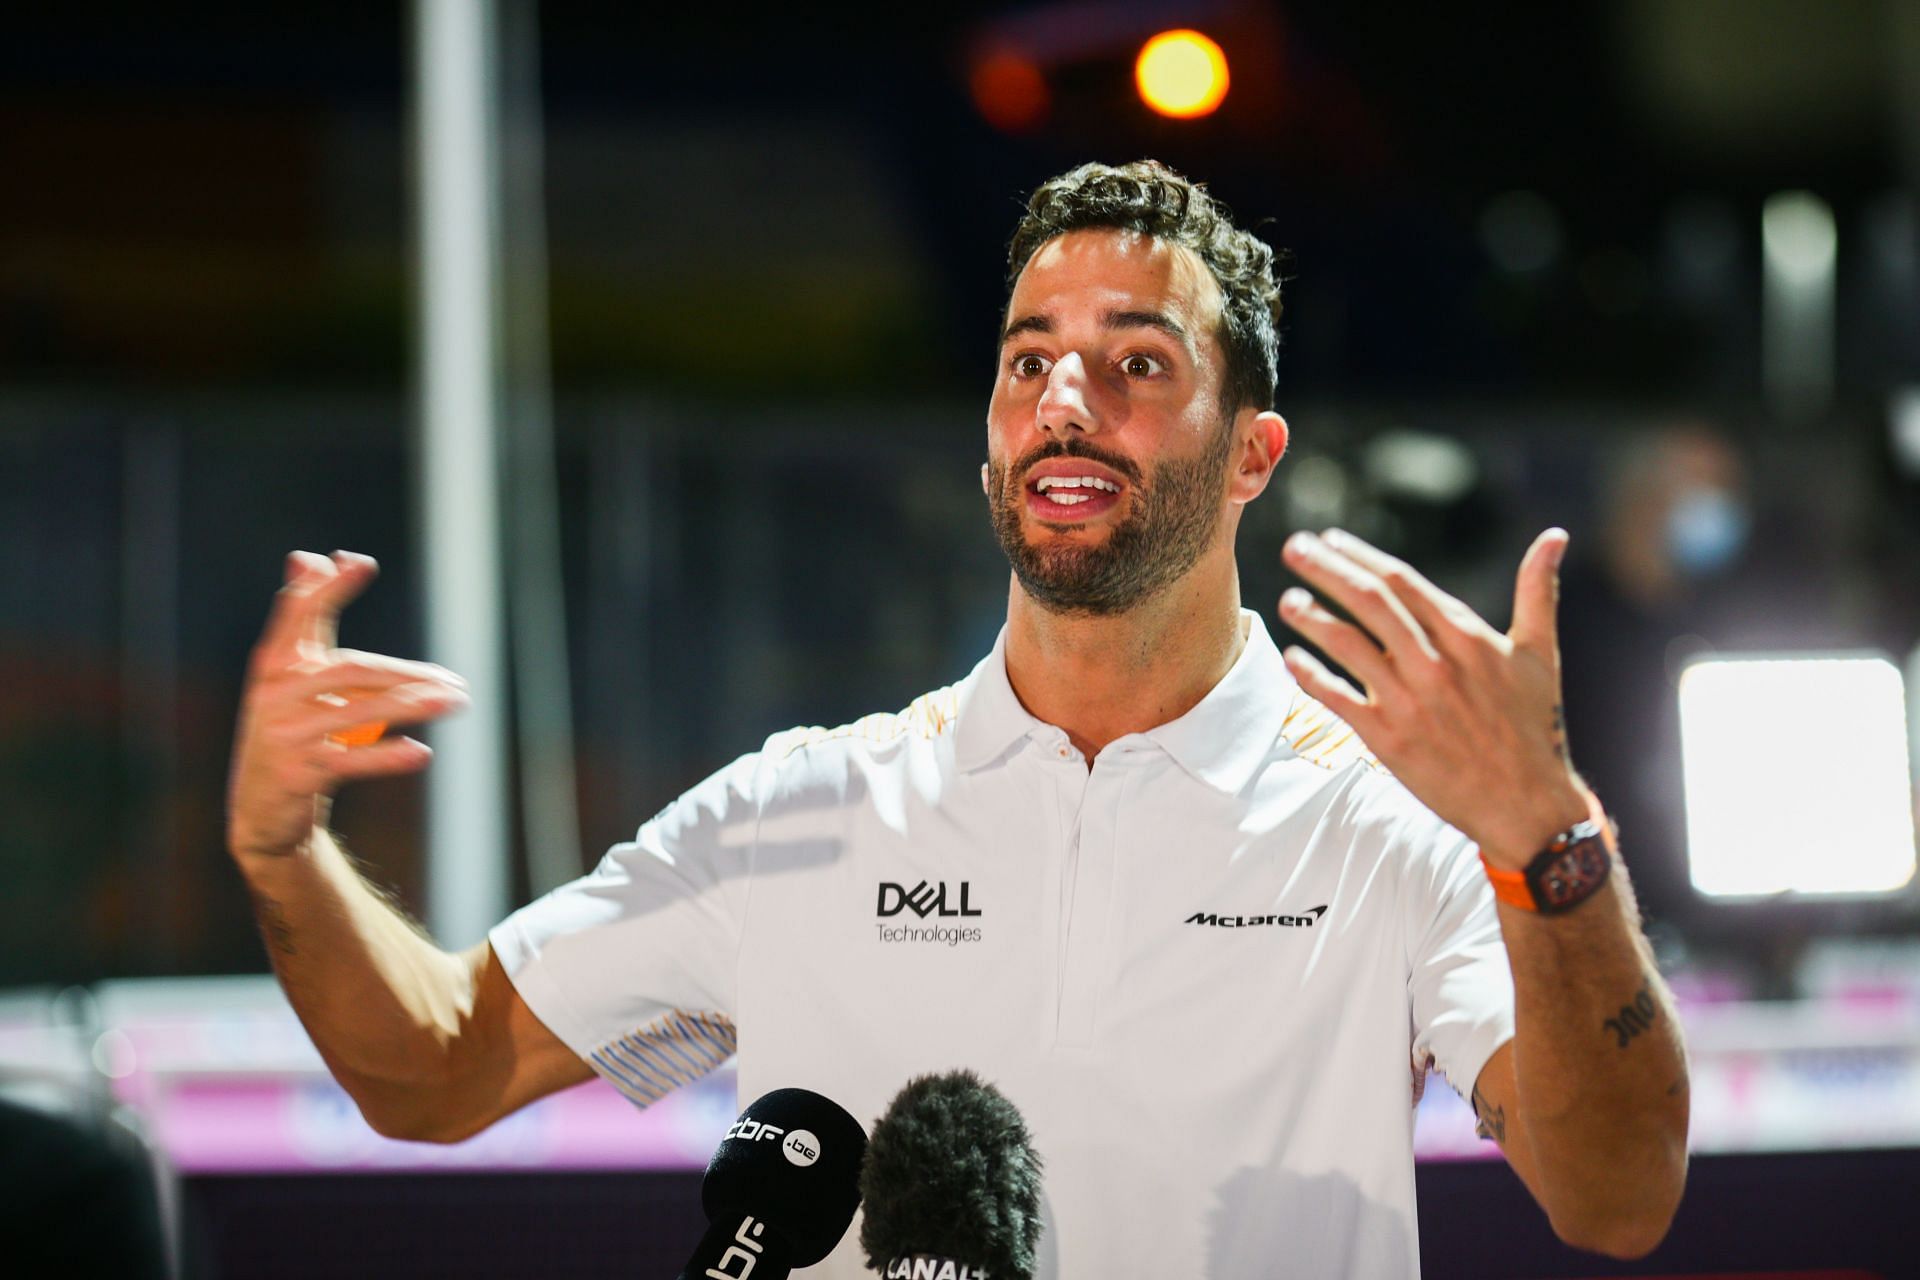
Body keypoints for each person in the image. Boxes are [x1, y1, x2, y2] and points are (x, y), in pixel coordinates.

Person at [226, 160, 1688, 1277]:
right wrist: (286, 856)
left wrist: (1550, 841)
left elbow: (1617, 1200)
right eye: (1027, 356)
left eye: (1136, 362)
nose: (1066, 395)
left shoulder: (1397, 826)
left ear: (1253, 455)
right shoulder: (795, 813)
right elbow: (435, 1072)